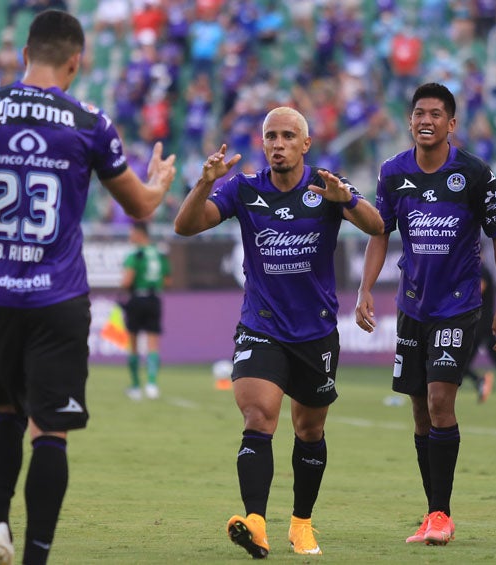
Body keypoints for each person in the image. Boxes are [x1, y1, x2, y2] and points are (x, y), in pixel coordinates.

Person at [0, 11, 176, 565]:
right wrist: (160, 181)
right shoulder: (89, 121)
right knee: (51, 431)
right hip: (58, 297)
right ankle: (35, 557)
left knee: (4, 410)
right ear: (76, 61)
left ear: (25, 52)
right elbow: (140, 207)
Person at [174, 106, 386, 558]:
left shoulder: (326, 186)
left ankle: (301, 524)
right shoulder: (244, 188)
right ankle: (255, 523)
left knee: (310, 430)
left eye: (289, 136)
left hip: (316, 332)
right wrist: (205, 181)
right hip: (261, 325)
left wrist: (345, 199)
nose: (278, 143)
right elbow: (186, 226)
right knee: (259, 416)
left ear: (305, 144)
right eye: (271, 135)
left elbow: (377, 226)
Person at [354, 82, 496, 546]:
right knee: (421, 412)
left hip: (460, 305)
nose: (426, 121)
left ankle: (442, 515)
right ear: (410, 121)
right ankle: (431, 512)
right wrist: (365, 288)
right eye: (419, 113)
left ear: (451, 123)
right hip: (413, 305)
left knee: (441, 401)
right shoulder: (392, 173)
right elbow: (380, 232)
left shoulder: (475, 173)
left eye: (435, 114)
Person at [120, 220, 171, 400]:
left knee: (133, 344)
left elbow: (126, 281)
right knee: (153, 344)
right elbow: (167, 281)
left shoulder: (136, 255)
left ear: (140, 234)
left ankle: (135, 386)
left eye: (132, 233)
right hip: (154, 299)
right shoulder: (159, 253)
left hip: (137, 298)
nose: (130, 236)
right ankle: (152, 385)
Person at [463, 262, 496, 403]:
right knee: (491, 356)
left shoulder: (480, 268)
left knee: (462, 360)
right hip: (480, 322)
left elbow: (479, 290)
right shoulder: (478, 267)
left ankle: (483, 381)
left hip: (482, 322)